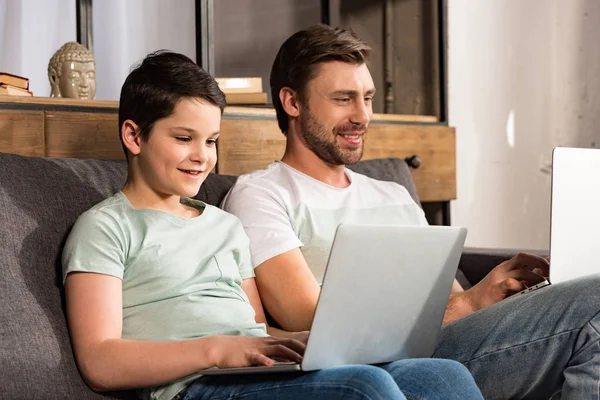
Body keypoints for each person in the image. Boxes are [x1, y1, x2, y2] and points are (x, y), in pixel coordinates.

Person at [61, 50, 484, 400]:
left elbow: (258, 328)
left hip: (250, 372)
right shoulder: (106, 228)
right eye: (183, 138)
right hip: (195, 385)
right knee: (362, 387)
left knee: (439, 375)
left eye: (211, 141)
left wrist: (308, 343)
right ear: (134, 136)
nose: (202, 157)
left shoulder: (224, 225)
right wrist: (218, 350)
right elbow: (100, 361)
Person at [222, 24, 600, 400]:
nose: (362, 116)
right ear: (292, 102)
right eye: (343, 99)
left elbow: (449, 299)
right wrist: (467, 304)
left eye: (367, 98)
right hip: (375, 368)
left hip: (451, 345)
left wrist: (496, 293)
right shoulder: (261, 194)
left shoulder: (393, 194)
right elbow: (308, 318)